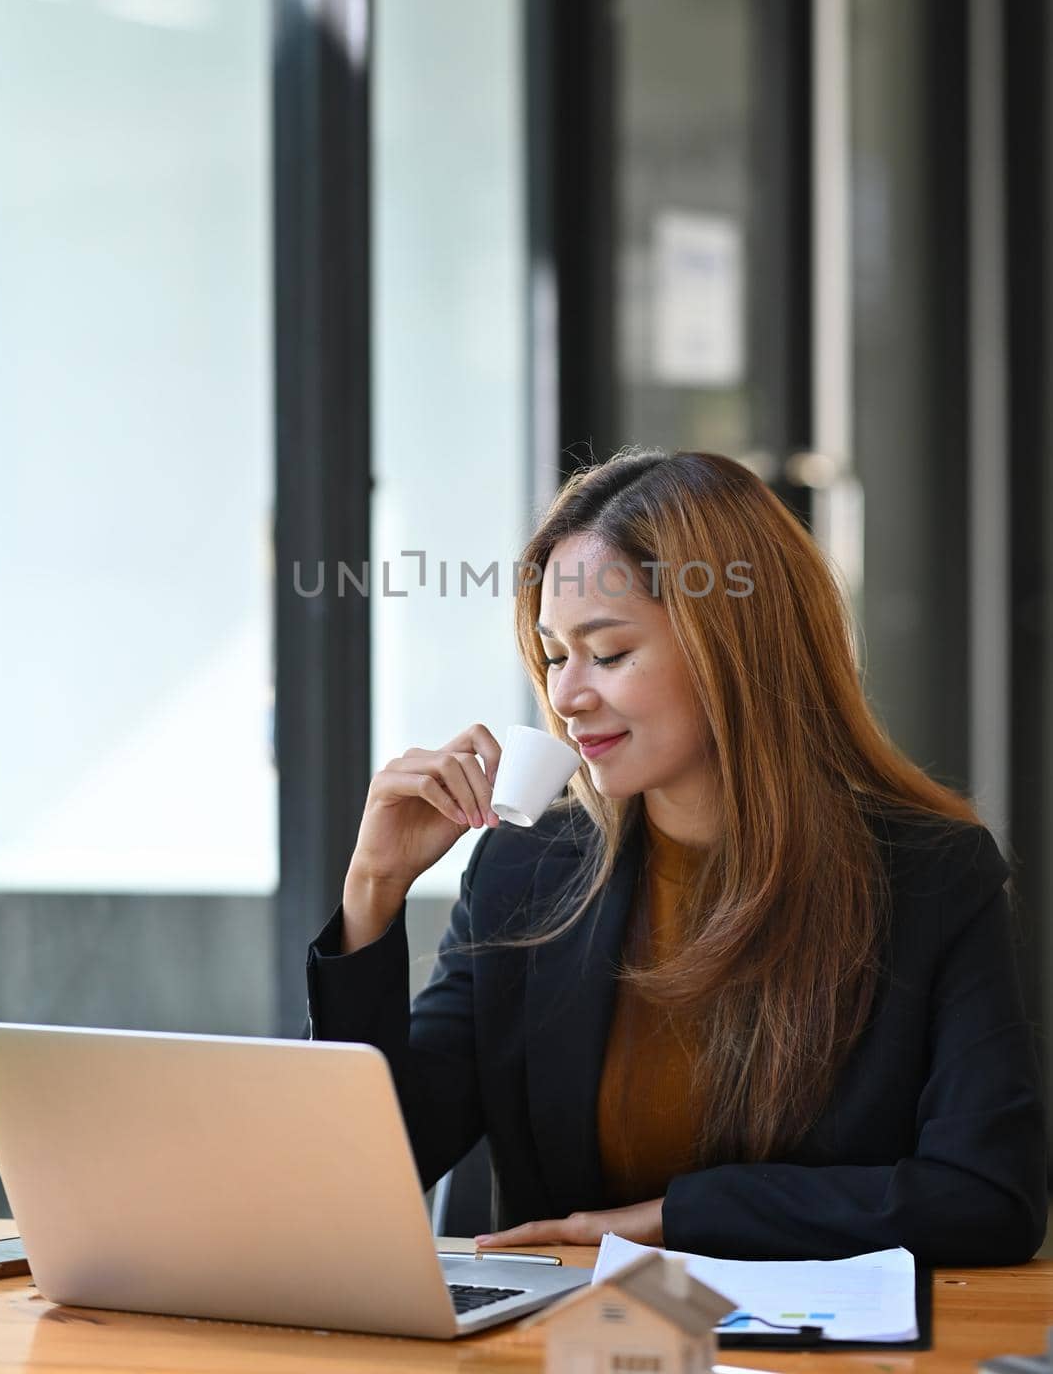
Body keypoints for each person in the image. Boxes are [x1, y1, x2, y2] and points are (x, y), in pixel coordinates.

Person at [306, 449, 1047, 1263]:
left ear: (735, 647)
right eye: (555, 656)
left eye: (609, 653)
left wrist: (670, 1219)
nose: (563, 695)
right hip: (570, 1348)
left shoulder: (928, 874)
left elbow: (984, 1198)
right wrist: (373, 893)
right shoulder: (529, 869)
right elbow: (368, 1170)